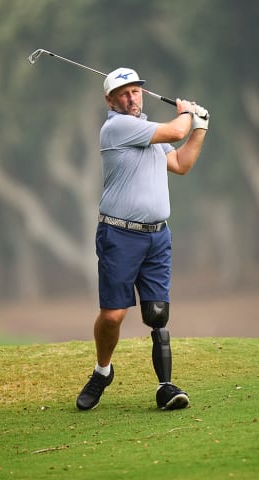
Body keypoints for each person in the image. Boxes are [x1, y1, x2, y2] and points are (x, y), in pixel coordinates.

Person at [76, 68, 209, 411]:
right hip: (119, 235)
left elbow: (180, 162)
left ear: (143, 94)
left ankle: (166, 388)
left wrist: (201, 128)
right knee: (112, 316)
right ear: (110, 100)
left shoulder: (148, 133)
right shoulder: (118, 127)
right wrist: (186, 114)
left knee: (157, 312)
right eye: (123, 93)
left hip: (157, 237)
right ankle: (102, 371)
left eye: (135, 91)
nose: (131, 98)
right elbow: (177, 128)